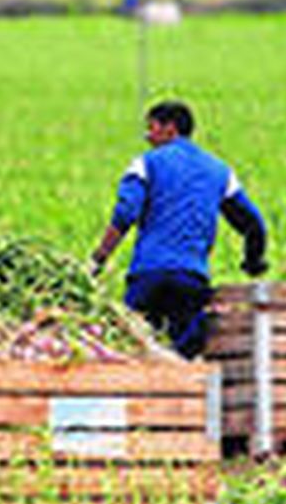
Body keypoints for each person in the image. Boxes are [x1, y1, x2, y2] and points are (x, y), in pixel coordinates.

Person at [89, 100, 267, 359]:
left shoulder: (145, 164)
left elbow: (126, 213)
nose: (147, 137)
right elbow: (253, 223)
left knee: (132, 350)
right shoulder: (220, 171)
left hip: (148, 277)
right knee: (182, 356)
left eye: (152, 129)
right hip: (191, 279)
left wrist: (99, 259)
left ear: (170, 129)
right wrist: (253, 261)